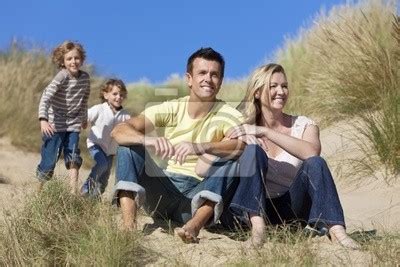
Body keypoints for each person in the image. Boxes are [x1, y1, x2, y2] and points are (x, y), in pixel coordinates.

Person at [111, 47, 245, 243]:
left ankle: (194, 226)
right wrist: (148, 140)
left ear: (220, 81)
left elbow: (241, 146)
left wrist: (200, 146)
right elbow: (119, 131)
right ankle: (128, 227)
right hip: (161, 193)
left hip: (196, 199)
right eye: (202, 73)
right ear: (189, 79)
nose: (208, 78)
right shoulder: (172, 108)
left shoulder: (228, 114)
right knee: (128, 147)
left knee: (234, 161)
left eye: (214, 74)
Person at [225, 63, 360, 249]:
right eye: (273, 86)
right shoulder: (243, 125)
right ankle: (258, 231)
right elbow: (221, 150)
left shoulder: (303, 125)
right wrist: (243, 138)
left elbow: (312, 152)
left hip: (292, 209)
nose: (281, 91)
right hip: (255, 210)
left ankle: (337, 231)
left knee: (316, 163)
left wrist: (265, 131)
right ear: (257, 92)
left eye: (284, 86)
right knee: (253, 151)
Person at [36, 41, 90, 194]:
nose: (73, 62)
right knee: (49, 161)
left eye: (77, 58)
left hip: (73, 124)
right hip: (54, 124)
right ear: (62, 61)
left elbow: (84, 99)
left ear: (82, 59)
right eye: (69, 59)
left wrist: (84, 118)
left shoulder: (85, 78)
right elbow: (46, 97)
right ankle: (38, 192)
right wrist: (43, 120)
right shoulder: (62, 76)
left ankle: (73, 194)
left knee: (73, 157)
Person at [80, 79, 131, 197]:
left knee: (103, 181)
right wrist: (82, 122)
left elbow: (129, 129)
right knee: (101, 164)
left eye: (122, 95)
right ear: (106, 95)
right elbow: (85, 116)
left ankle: (92, 202)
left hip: (111, 152)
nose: (118, 97)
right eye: (115, 94)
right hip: (96, 144)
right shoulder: (99, 109)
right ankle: (85, 189)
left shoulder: (125, 115)